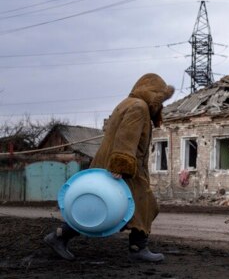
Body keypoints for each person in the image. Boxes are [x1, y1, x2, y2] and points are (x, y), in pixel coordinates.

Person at [44, 73, 175, 262]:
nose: (161, 105)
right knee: (145, 207)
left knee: (100, 208)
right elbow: (126, 138)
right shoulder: (139, 108)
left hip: (115, 165)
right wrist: (121, 166)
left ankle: (59, 236)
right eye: (161, 99)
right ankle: (138, 249)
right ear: (154, 96)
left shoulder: (128, 103)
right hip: (126, 169)